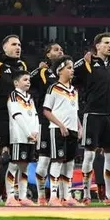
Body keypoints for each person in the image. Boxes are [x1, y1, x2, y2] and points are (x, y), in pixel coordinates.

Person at [73, 33, 110, 205]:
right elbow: (69, 70)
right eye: (106, 43)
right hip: (92, 114)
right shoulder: (88, 62)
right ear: (97, 46)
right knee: (89, 155)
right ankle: (86, 195)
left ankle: (109, 195)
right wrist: (82, 60)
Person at [0, 35, 27, 203]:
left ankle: (12, 194)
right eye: (14, 44)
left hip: (18, 116)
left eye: (20, 45)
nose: (18, 47)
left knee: (17, 155)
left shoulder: (22, 66)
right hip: (0, 114)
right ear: (4, 47)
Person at [43, 56, 83, 206]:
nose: (72, 70)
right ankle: (53, 196)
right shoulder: (53, 88)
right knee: (57, 161)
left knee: (69, 163)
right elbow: (46, 110)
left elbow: (74, 111)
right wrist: (60, 125)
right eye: (69, 67)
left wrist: (79, 126)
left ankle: (67, 196)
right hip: (57, 130)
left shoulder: (74, 90)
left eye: (72, 67)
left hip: (72, 130)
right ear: (60, 70)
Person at [30, 43, 63, 204]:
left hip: (63, 121)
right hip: (45, 121)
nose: (60, 51)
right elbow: (24, 80)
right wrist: (37, 69)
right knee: (44, 158)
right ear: (48, 55)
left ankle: (59, 196)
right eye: (56, 50)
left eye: (61, 49)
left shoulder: (65, 73)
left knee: (61, 160)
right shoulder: (42, 72)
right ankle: (41, 196)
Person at [5, 71, 39, 206]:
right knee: (13, 165)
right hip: (18, 136)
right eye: (25, 79)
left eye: (29, 80)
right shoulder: (13, 96)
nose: (28, 82)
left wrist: (36, 132)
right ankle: (10, 197)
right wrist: (27, 133)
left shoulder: (29, 97)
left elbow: (35, 115)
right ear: (16, 83)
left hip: (30, 137)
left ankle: (23, 196)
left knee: (24, 167)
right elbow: (16, 115)